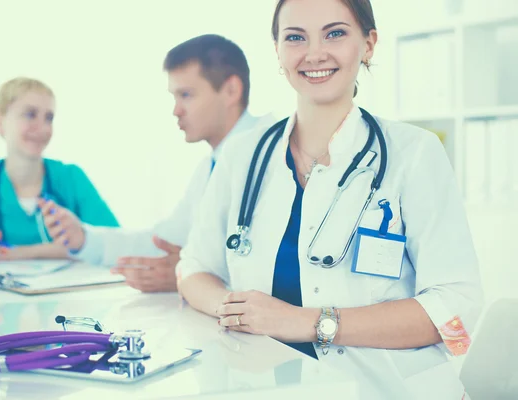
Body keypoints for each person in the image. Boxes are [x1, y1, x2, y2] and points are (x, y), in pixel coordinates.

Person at [175, 0, 483, 398]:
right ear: (277, 51)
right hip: (266, 386)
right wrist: (238, 311)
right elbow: (193, 268)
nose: (314, 53)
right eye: (295, 37)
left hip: (385, 389)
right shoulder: (242, 156)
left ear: (368, 44)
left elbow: (454, 306)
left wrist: (308, 322)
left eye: (335, 33)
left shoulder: (415, 153)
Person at [39, 34, 274, 293]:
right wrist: (85, 239)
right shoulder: (211, 166)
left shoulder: (274, 152)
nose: (176, 110)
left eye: (186, 95)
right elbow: (163, 241)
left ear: (231, 90)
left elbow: (276, 270)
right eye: (175, 96)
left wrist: (189, 276)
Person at [0, 77, 119, 271]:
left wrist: (14, 253)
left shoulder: (71, 178)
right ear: (0, 123)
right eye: (30, 114)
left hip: (68, 298)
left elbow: (113, 243)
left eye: (49, 118)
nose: (43, 127)